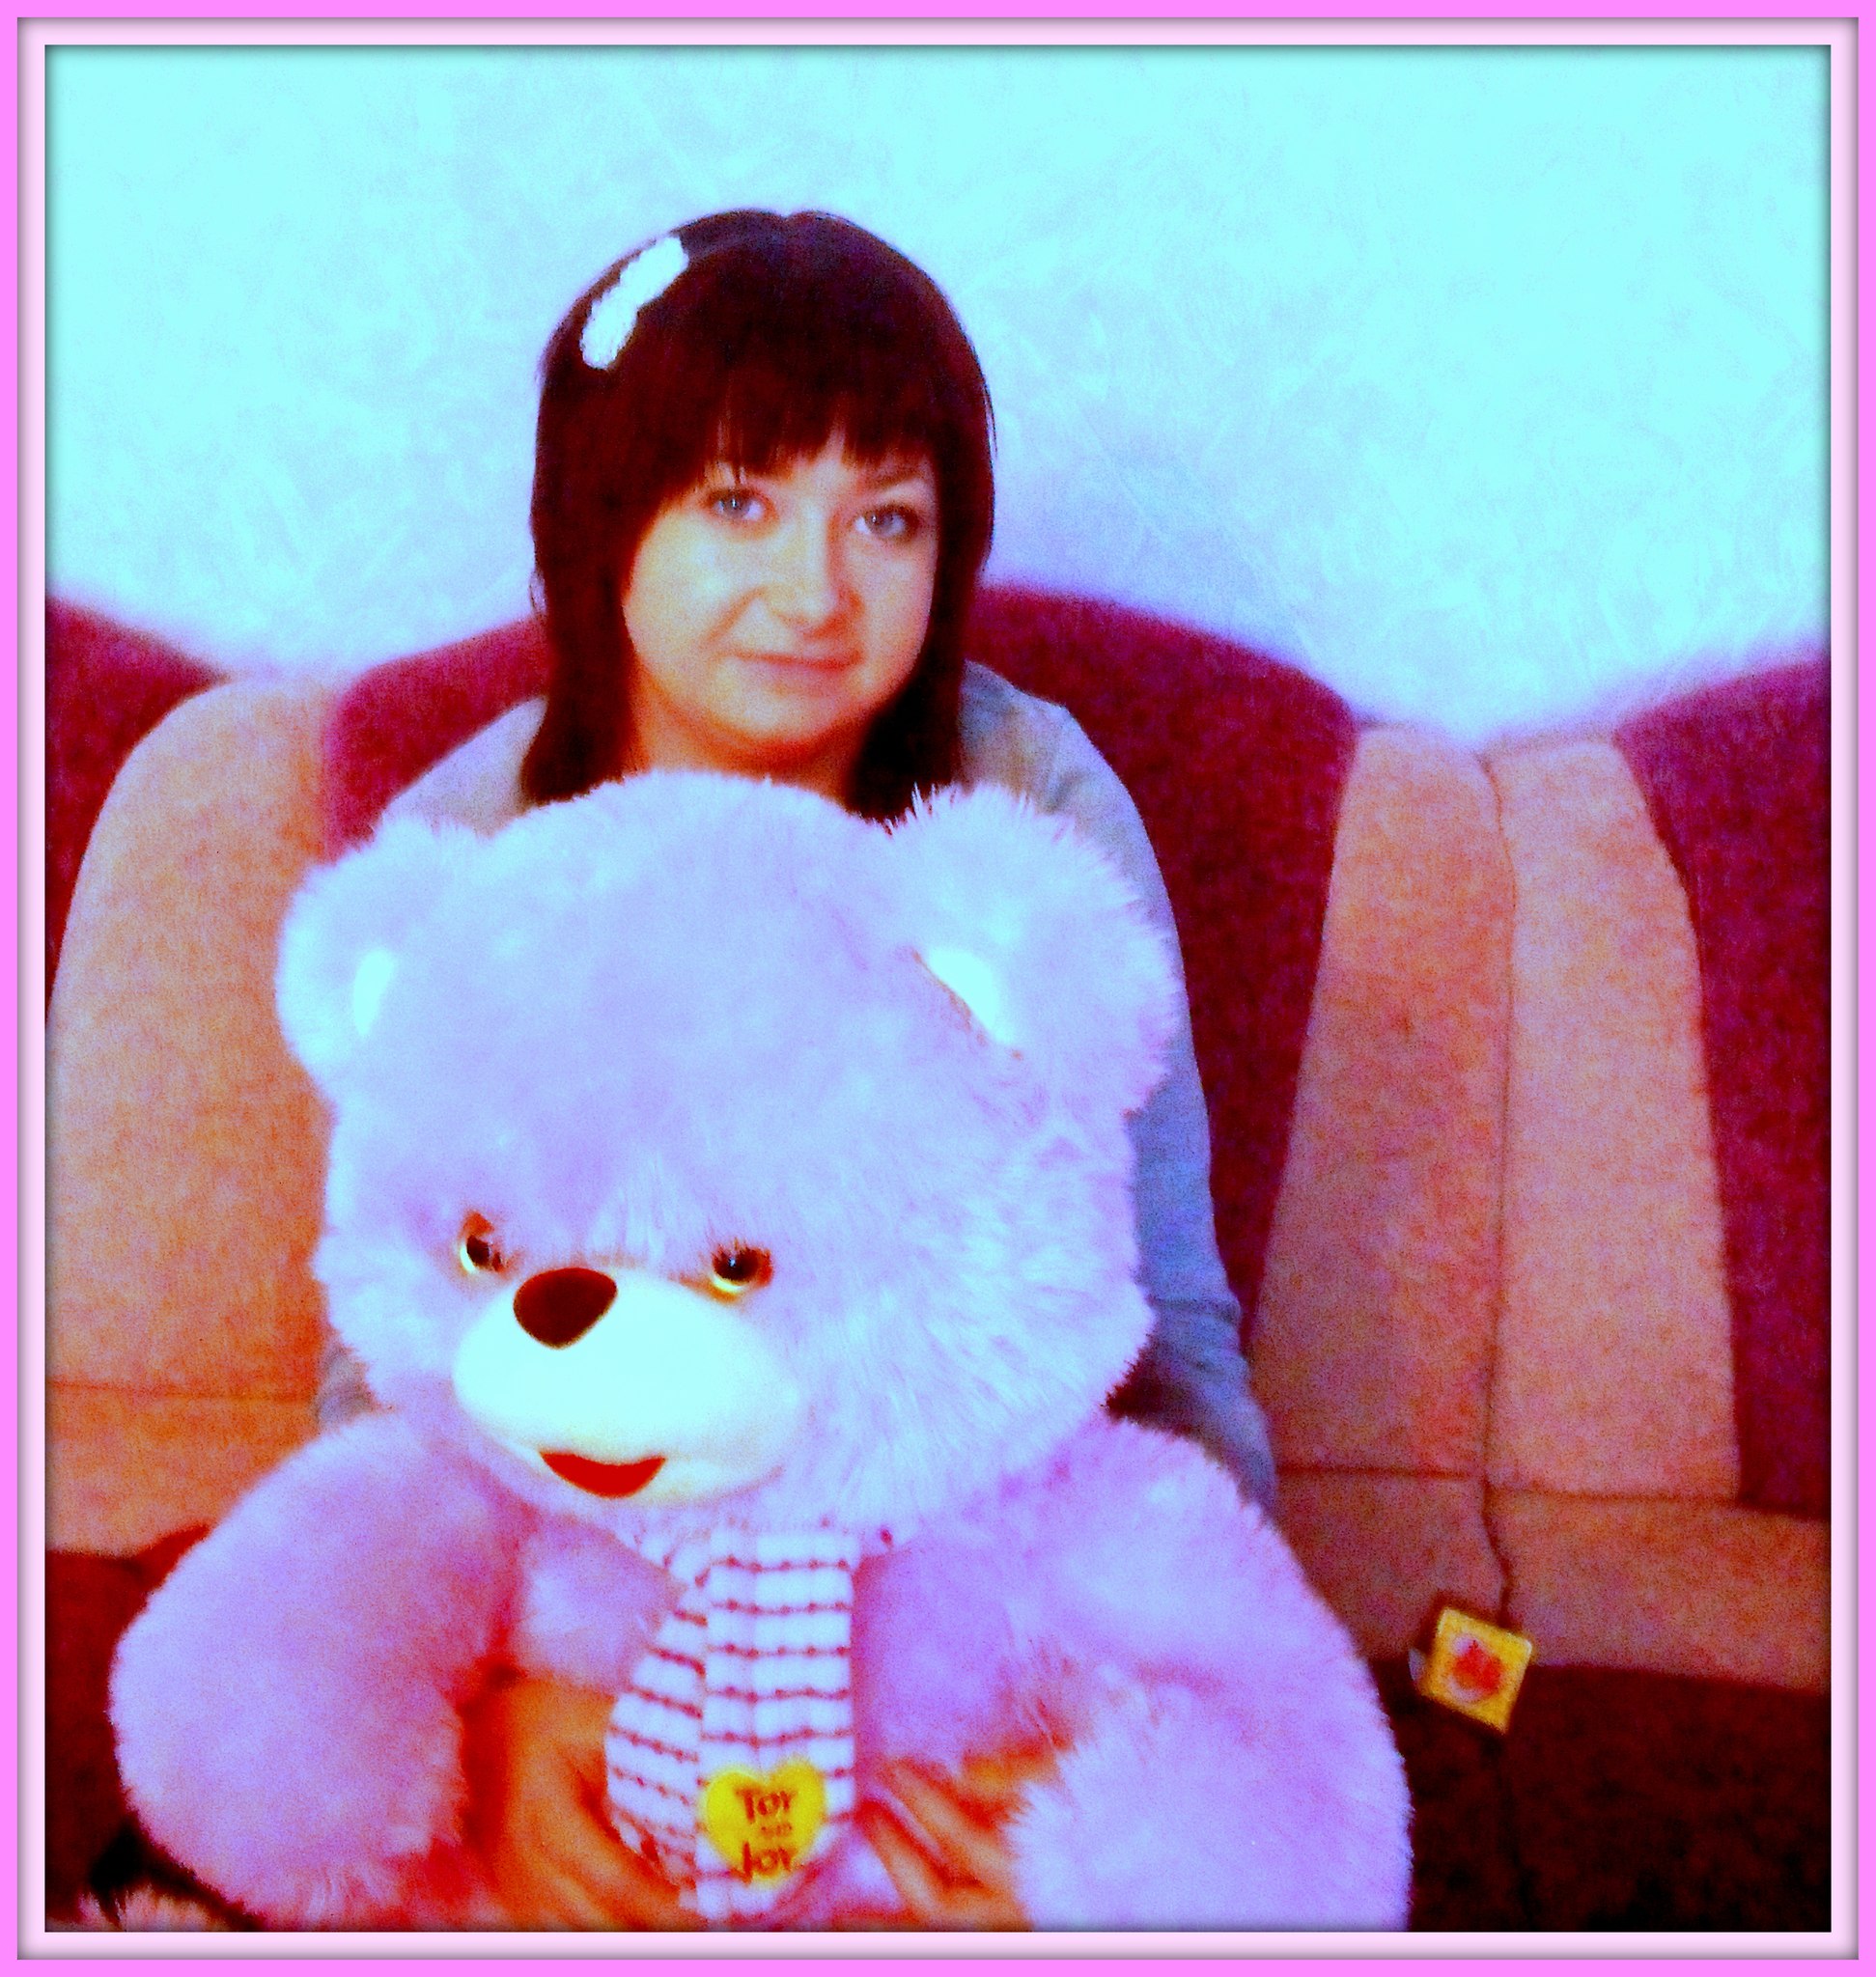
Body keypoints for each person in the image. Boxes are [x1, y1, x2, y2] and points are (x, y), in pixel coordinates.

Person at [323, 209, 1277, 1928]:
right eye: (739, 502)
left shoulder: (1026, 811)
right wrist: (481, 1705)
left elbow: (1171, 1333)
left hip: (945, 1641)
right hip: (586, 1621)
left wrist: (1126, 1739)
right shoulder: (474, 844)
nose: (818, 593)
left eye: (886, 518)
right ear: (598, 515)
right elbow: (385, 1364)